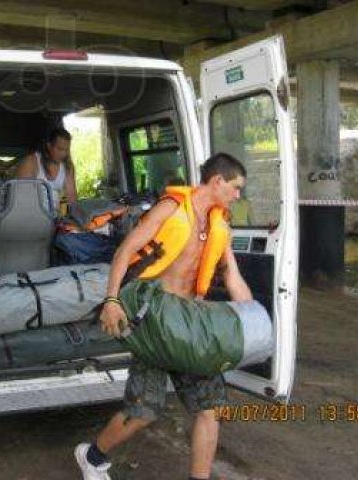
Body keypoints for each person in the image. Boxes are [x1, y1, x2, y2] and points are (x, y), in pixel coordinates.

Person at [74, 153, 253, 480]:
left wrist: (252, 317)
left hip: (190, 326)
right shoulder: (171, 209)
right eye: (236, 187)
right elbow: (124, 252)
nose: (238, 195)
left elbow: (233, 277)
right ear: (217, 181)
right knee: (142, 412)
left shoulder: (219, 224)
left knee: (210, 408)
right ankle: (93, 456)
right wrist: (112, 300)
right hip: (155, 323)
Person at [16, 127, 78, 214]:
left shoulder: (67, 167)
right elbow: (22, 198)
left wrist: (63, 217)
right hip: (34, 216)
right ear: (49, 146)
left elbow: (71, 199)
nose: (63, 154)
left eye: (66, 150)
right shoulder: (31, 162)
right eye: (59, 149)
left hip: (57, 218)